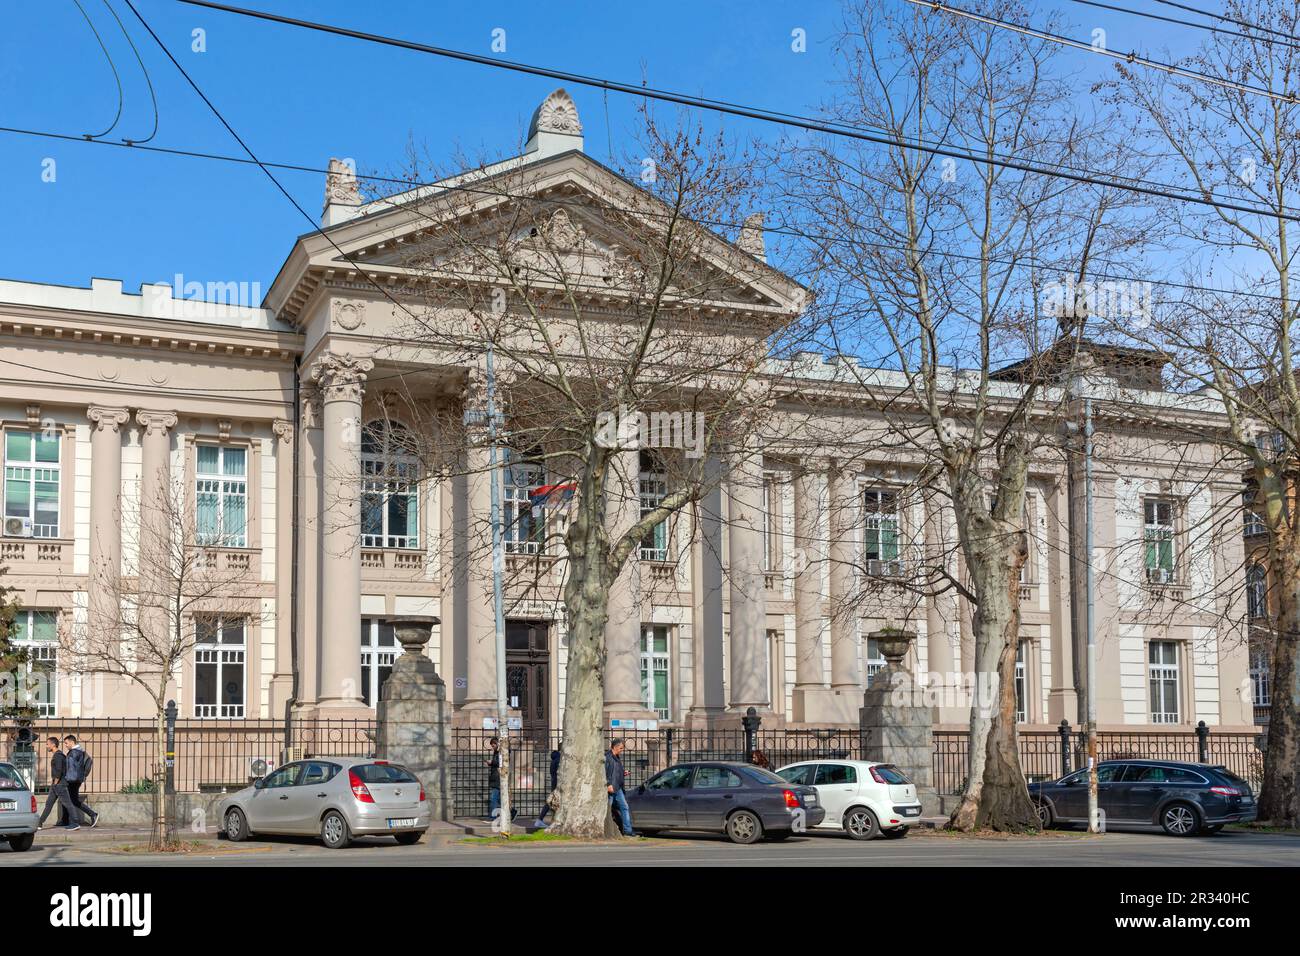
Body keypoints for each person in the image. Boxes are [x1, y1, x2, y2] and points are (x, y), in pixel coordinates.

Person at [36, 736, 80, 831]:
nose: (46, 746)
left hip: (60, 784)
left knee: (68, 803)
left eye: (47, 744)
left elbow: (59, 770)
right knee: (49, 804)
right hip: (56, 784)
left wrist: (55, 782)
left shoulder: (58, 756)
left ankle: (75, 823)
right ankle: (39, 823)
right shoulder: (58, 755)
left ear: (53, 744)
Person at [62, 735, 98, 828]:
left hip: (73, 780)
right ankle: (69, 821)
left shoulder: (75, 752)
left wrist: (66, 777)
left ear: (71, 742)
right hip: (75, 779)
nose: (65, 745)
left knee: (73, 800)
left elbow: (71, 768)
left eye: (66, 743)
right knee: (72, 800)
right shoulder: (78, 751)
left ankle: (91, 815)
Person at [605, 738, 635, 836]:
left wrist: (623, 773)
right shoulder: (608, 758)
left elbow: (616, 772)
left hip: (617, 788)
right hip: (610, 788)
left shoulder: (617, 757)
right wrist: (608, 784)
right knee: (607, 809)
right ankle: (606, 828)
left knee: (624, 807)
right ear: (615, 747)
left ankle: (628, 831)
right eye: (621, 748)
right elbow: (605, 773)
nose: (622, 750)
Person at [534, 748, 561, 829]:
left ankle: (548, 819)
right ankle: (540, 819)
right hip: (558, 783)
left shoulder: (553, 762)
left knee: (552, 802)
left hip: (554, 783)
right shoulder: (558, 760)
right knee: (550, 802)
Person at [486, 737, 501, 822]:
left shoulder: (501, 751)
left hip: (498, 778)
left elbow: (501, 762)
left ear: (497, 744)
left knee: (493, 798)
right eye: (492, 746)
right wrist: (491, 763)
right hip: (496, 777)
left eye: (493, 745)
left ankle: (492, 816)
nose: (492, 747)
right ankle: (511, 811)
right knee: (499, 799)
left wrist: (492, 762)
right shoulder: (496, 752)